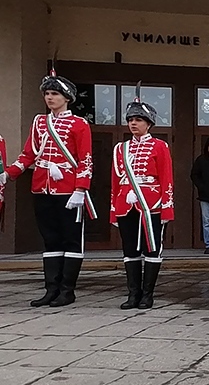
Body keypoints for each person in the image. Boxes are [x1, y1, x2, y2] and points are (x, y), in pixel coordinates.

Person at [0, 65, 96, 308]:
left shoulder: (79, 124)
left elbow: (85, 159)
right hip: (42, 187)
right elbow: (28, 154)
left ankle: (67, 290)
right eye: (47, 94)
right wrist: (8, 174)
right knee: (50, 239)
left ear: (66, 98)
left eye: (54, 94)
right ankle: (51, 289)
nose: (50, 98)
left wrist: (80, 188)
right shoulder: (39, 122)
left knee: (71, 240)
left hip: (68, 189)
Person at [111, 82, 175, 310]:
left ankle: (148, 294)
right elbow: (114, 180)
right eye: (130, 120)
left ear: (148, 123)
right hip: (126, 203)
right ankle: (133, 294)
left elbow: (166, 179)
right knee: (130, 250)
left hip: (151, 203)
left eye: (138, 120)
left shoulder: (160, 146)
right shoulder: (120, 148)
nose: (133, 124)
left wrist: (167, 208)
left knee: (151, 249)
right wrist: (113, 210)